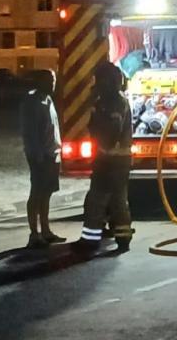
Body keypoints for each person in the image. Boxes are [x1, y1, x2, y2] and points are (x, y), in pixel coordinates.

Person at [74, 62, 134, 254]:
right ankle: (123, 238)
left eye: (100, 80)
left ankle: (90, 240)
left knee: (96, 200)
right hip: (119, 160)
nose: (97, 84)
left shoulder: (112, 102)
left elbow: (110, 130)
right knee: (118, 200)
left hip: (109, 160)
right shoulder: (114, 100)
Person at [20, 70, 65, 248]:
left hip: (52, 154)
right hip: (40, 156)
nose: (52, 84)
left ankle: (46, 230)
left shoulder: (49, 100)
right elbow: (30, 133)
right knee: (37, 193)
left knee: (46, 193)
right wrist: (37, 155)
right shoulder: (32, 103)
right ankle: (34, 233)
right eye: (48, 81)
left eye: (53, 80)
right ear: (39, 82)